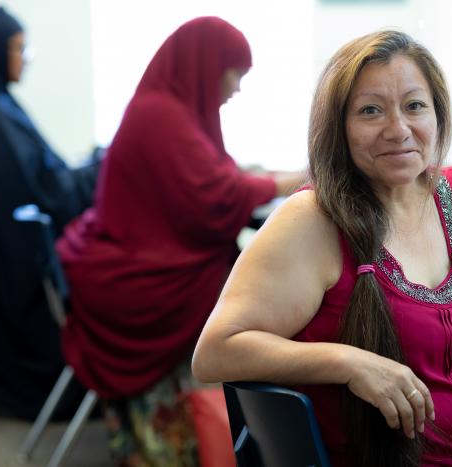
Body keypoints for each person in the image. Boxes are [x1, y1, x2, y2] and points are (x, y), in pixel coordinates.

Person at [193, 30, 452, 467]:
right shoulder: (312, 218)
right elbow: (214, 352)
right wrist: (349, 363)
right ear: (338, 127)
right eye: (370, 111)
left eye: (415, 106)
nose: (398, 129)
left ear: (440, 114)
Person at [56, 16, 304, 465]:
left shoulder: (170, 108)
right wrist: (288, 182)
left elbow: (213, 178)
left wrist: (256, 178)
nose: (237, 88)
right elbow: (214, 198)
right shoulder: (162, 116)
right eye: (235, 74)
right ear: (207, 66)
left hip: (123, 255)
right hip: (139, 276)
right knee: (258, 289)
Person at [0, 7, 100, 419]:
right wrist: (100, 168)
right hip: (9, 260)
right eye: (18, 48)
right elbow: (47, 190)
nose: (25, 58)